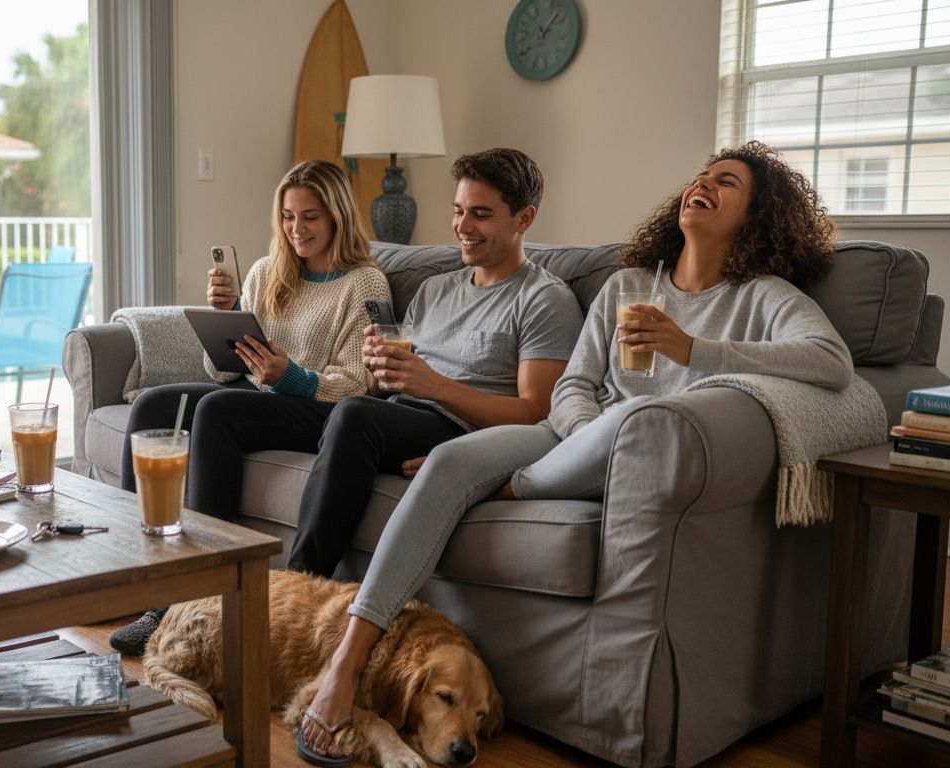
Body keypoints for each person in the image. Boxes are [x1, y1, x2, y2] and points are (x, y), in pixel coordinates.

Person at [295, 141, 853, 764]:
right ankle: (345, 665)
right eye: (702, 174)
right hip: (572, 438)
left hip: (649, 449)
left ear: (759, 215)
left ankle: (517, 485)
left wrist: (693, 349)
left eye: (727, 182)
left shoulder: (762, 297)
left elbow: (832, 363)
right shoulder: (629, 284)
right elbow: (572, 386)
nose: (705, 183)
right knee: (451, 463)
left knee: (636, 419)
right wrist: (583, 432)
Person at [110, 159, 389, 655]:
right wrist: (225, 320)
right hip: (263, 396)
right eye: (287, 216)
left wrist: (293, 378)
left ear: (338, 217)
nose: (296, 229)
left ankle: (201, 596)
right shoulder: (267, 271)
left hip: (324, 412)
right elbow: (221, 372)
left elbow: (359, 387)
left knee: (218, 412)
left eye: (311, 217)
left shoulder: (363, 284)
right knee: (154, 405)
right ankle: (145, 581)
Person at [287, 147, 582, 579]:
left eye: (480, 214)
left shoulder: (544, 299)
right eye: (459, 210)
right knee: (229, 412)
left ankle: (299, 585)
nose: (462, 227)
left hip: (462, 428)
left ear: (524, 219)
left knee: (353, 417)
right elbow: (396, 383)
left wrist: (433, 387)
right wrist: (382, 366)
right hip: (398, 418)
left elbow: (537, 412)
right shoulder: (434, 289)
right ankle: (187, 594)